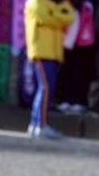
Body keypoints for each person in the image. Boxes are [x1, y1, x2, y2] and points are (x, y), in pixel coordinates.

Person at [24, 0, 76, 138]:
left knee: (47, 89)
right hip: (41, 52)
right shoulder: (35, 3)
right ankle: (41, 125)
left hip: (54, 53)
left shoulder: (57, 4)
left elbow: (70, 17)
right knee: (45, 88)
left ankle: (35, 123)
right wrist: (58, 15)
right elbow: (47, 18)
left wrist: (55, 13)